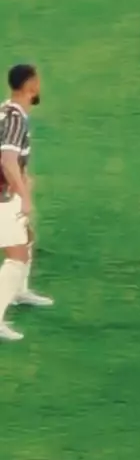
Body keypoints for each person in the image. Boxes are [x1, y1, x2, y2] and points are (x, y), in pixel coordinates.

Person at [0, 64, 53, 342]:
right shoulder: (15, 120)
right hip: (3, 196)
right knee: (16, 256)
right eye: (37, 81)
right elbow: (7, 161)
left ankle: (18, 291)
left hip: (6, 191)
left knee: (26, 237)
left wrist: (23, 176)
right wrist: (24, 195)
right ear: (30, 85)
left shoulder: (7, 111)